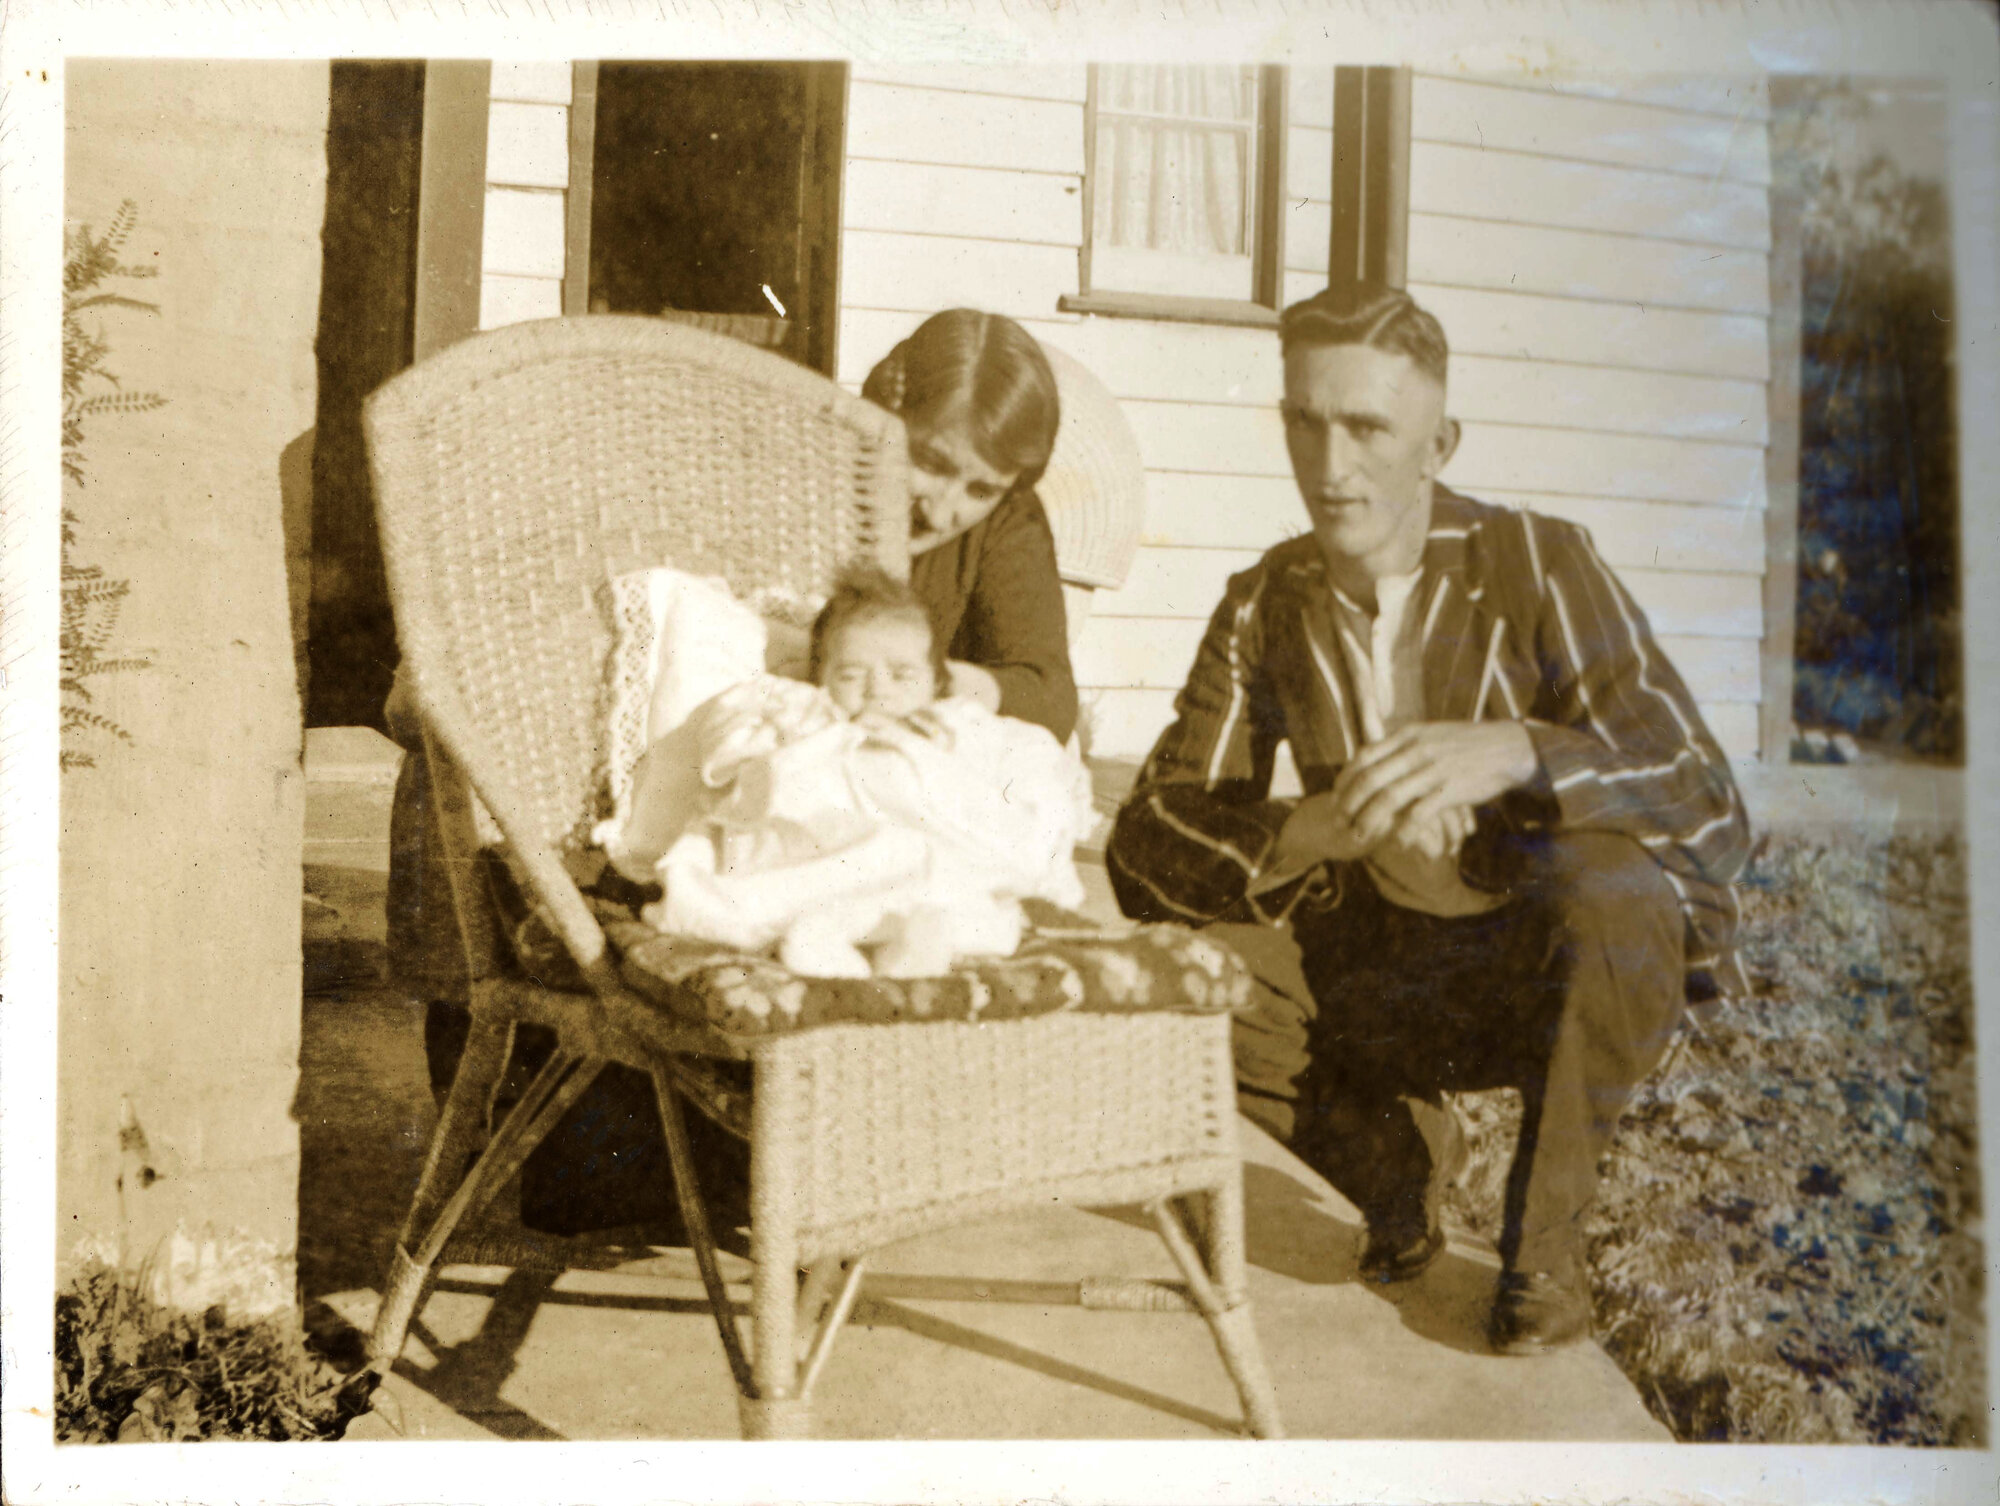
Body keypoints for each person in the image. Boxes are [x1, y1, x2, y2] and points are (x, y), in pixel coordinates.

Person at [1104, 280, 1752, 1355]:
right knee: (1176, 971)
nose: (1328, 463)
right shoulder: (1264, 601)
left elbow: (1701, 792)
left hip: (1529, 961)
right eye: (1302, 421)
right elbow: (1148, 836)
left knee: (1615, 891)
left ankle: (1540, 1258)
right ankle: (1393, 1172)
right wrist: (1309, 829)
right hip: (1374, 970)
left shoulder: (1538, 562)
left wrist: (1520, 749)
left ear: (1437, 442)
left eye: (1366, 426)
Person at [385, 306, 1077, 1236]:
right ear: (883, 412)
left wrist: (893, 684)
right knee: (580, 1188)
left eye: (979, 487)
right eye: (932, 461)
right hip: (693, 781)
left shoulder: (999, 528)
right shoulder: (787, 468)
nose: (943, 504)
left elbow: (1044, 690)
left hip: (837, 800)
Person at [623, 566, 1091, 978]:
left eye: (902, 676)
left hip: (922, 865)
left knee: (973, 897)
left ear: (934, 683)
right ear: (819, 676)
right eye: (851, 675)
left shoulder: (950, 729)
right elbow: (730, 752)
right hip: (812, 856)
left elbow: (1010, 785)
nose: (876, 692)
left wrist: (924, 752)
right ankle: (828, 942)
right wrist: (817, 736)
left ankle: (901, 944)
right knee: (882, 855)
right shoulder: (795, 708)